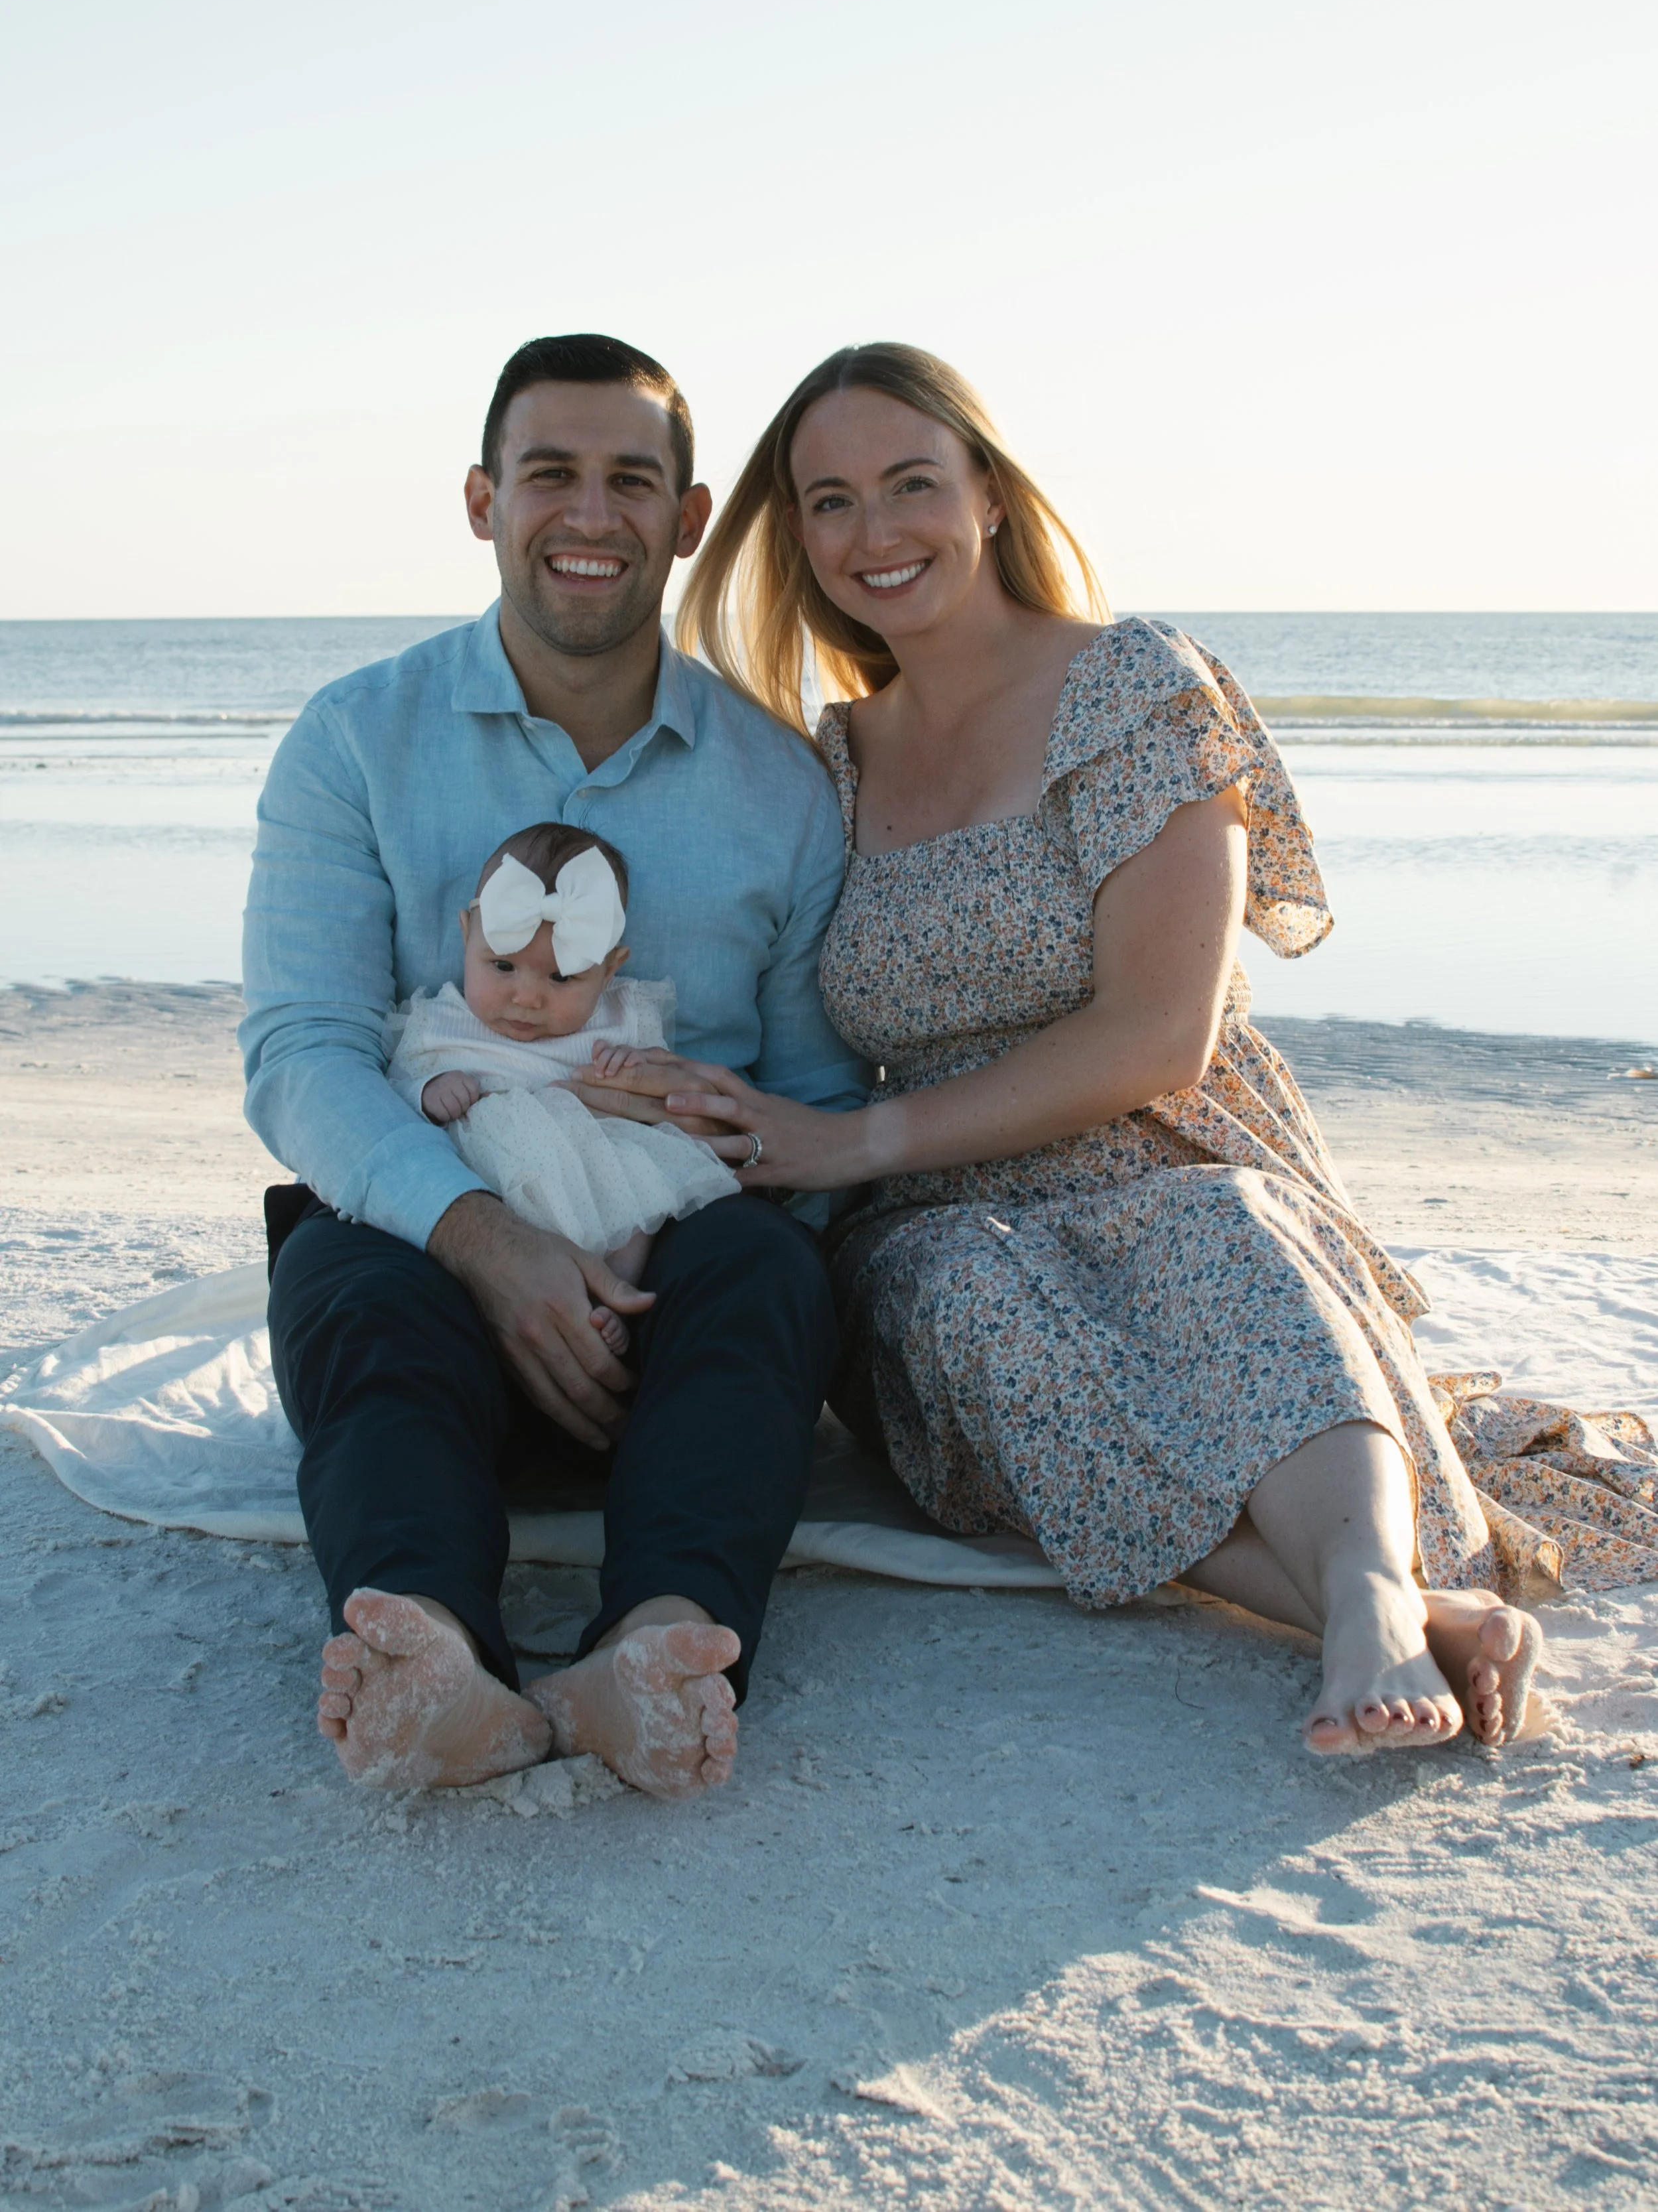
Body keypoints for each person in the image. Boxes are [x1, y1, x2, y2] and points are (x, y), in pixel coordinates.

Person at [588, 340, 1648, 1758]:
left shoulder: (1135, 687)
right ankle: (1413, 1614)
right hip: (941, 1207)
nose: (873, 532)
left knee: (1209, 1229)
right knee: (957, 1305)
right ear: (795, 538)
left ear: (990, 497)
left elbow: (1162, 1034)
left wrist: (853, 1141)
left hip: (1167, 1139)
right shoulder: (830, 759)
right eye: (828, 502)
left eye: (911, 482)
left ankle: (1367, 1597)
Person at [241, 333, 863, 1798]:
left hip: (668, 1298)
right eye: (549, 475)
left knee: (772, 1275)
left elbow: (815, 1104)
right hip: (431, 1268)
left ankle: (652, 1647)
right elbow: (299, 1053)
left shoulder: (781, 786)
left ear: (689, 517)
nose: (590, 515)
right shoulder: (353, 740)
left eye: (629, 480)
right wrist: (488, 1241)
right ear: (482, 500)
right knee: (344, 1276)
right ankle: (435, 1658)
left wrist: (666, 1215)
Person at [385, 819, 738, 1344]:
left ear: (610, 970)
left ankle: (614, 1292)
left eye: (561, 977)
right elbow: (395, 1082)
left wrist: (636, 1062)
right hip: (490, 1186)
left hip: (593, 1166)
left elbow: (666, 1076)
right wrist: (429, 1091)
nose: (527, 997)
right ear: (466, 934)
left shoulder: (618, 1018)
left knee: (639, 1205)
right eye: (502, 965)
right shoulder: (442, 1019)